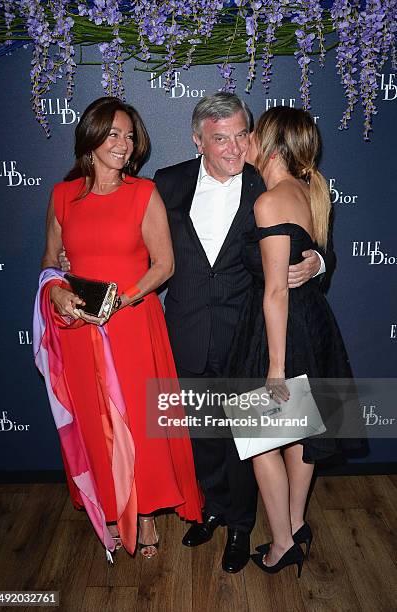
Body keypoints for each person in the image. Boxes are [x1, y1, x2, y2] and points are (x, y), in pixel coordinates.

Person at [153, 93, 331, 573]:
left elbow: (302, 238)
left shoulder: (266, 184)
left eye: (241, 135)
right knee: (205, 432)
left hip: (248, 332)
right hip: (188, 329)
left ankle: (241, 526)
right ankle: (213, 508)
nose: (234, 147)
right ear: (198, 141)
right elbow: (140, 245)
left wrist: (316, 262)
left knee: (252, 440)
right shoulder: (167, 184)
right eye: (220, 138)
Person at [35, 96, 202, 562]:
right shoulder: (62, 195)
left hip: (129, 325)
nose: (123, 144)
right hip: (78, 330)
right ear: (89, 138)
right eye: (113, 133)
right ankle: (109, 508)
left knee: (139, 427)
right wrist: (58, 293)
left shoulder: (143, 194)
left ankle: (145, 514)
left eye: (128, 136)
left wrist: (121, 299)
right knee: (96, 424)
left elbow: (164, 265)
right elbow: (50, 261)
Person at [225, 106, 360, 576]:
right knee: (302, 437)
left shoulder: (269, 201)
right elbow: (302, 265)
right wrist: (319, 263)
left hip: (279, 332)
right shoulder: (308, 192)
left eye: (253, 134)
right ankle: (297, 523)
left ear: (272, 144)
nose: (247, 142)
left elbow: (276, 290)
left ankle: (283, 543)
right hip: (314, 325)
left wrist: (276, 368)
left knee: (262, 443)